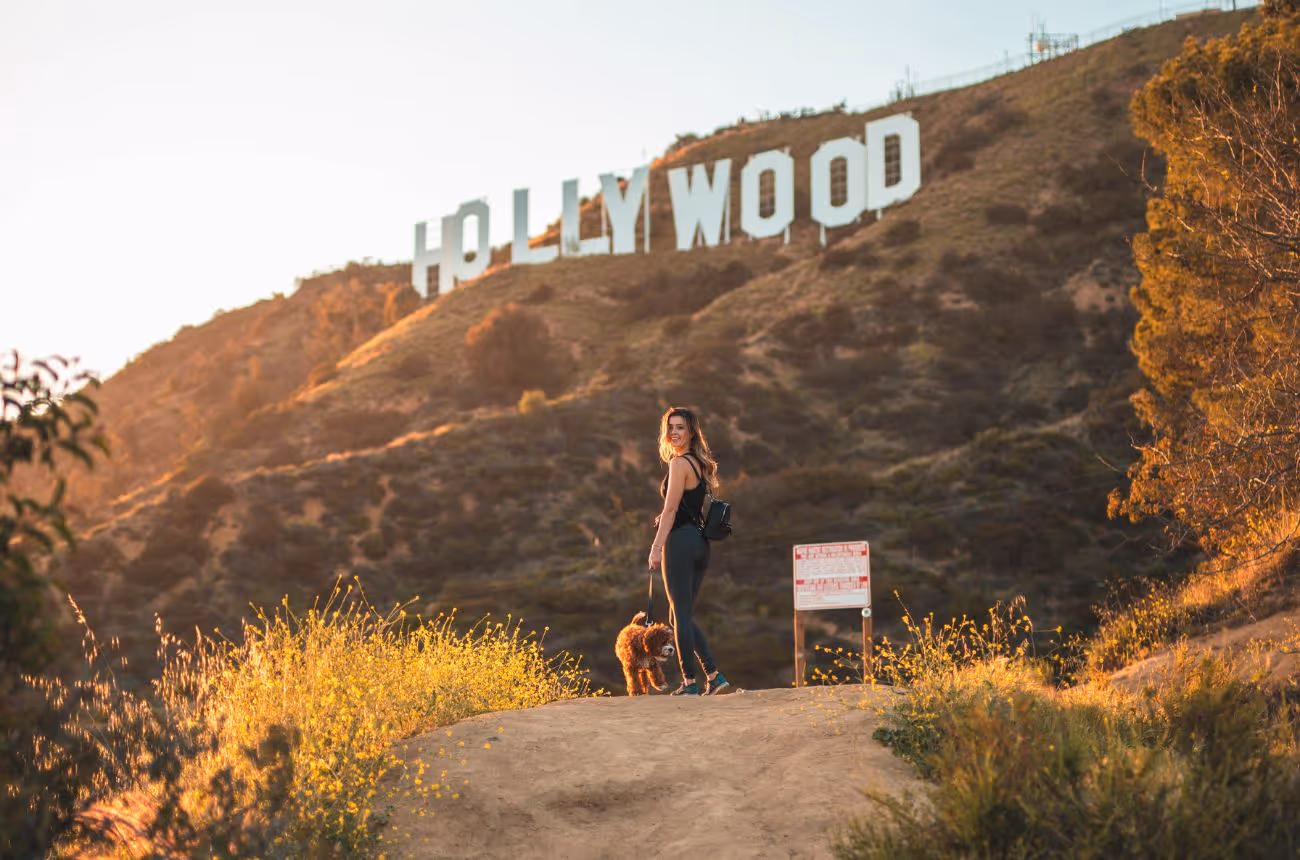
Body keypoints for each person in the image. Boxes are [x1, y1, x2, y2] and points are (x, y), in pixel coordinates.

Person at [648, 406, 730, 696]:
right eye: (670, 427)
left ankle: (689, 682)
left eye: (680, 427)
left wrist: (656, 547)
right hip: (699, 544)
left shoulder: (679, 464)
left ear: (691, 431)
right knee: (679, 615)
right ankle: (714, 676)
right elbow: (685, 508)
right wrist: (667, 518)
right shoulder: (700, 464)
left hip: (680, 544)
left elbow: (671, 510)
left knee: (680, 616)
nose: (674, 432)